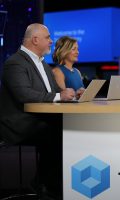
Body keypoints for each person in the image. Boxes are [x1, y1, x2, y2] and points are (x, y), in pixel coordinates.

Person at [0, 23, 75, 199]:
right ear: (35, 40)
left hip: (39, 120)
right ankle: (48, 185)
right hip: (19, 123)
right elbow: (23, 94)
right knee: (59, 132)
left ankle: (49, 183)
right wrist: (58, 96)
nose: (51, 41)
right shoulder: (14, 63)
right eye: (48, 38)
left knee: (66, 128)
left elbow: (54, 90)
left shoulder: (44, 65)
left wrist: (69, 94)